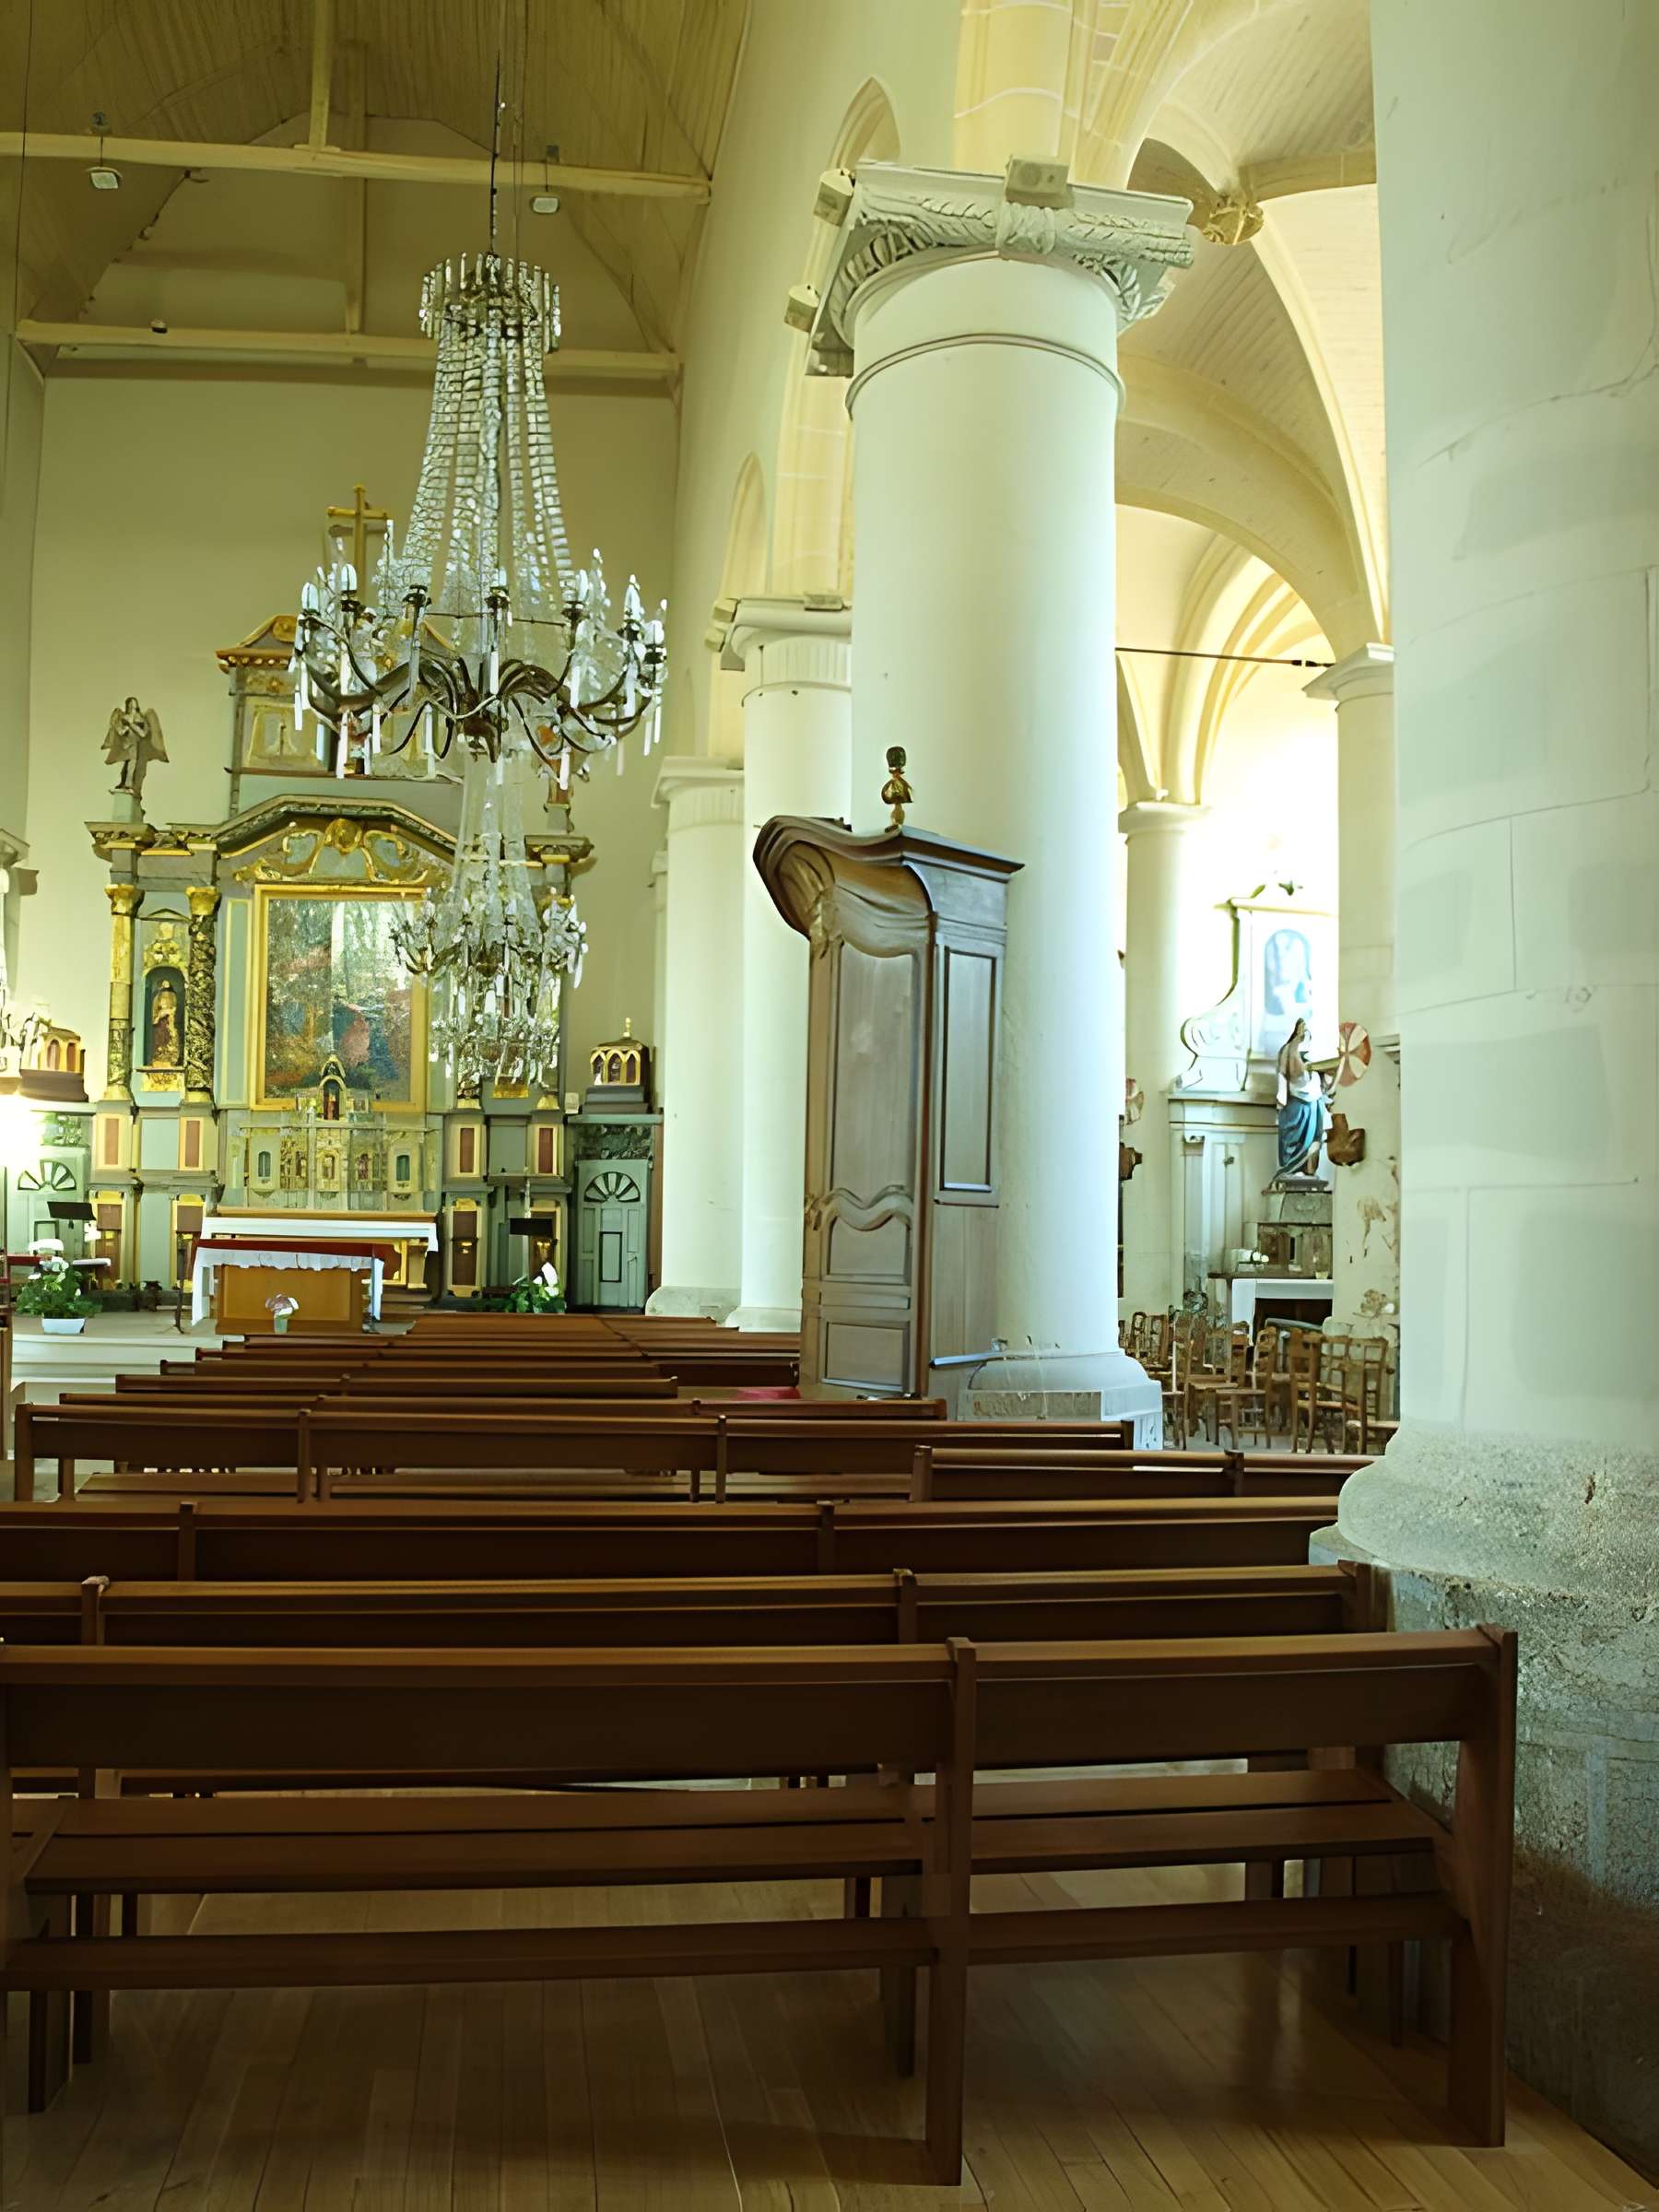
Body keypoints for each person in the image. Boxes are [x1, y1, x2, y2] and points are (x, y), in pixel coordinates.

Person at [1275, 1018, 1330, 1177]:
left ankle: (1309, 1170)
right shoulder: (1288, 1050)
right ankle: (1291, 1168)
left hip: (1314, 1103)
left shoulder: (1317, 1052)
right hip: (1296, 1102)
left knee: (1314, 1140)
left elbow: (1326, 1079)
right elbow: (1287, 1073)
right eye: (1302, 1030)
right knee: (1293, 1136)